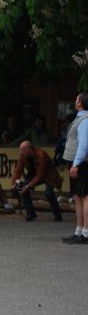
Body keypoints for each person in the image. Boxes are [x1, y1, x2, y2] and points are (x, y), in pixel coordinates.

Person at [11, 141, 63, 222]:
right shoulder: (22, 156)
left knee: (49, 194)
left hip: (48, 175)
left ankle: (58, 215)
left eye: (23, 150)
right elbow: (18, 171)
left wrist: (27, 187)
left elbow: (40, 176)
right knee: (23, 190)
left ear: (29, 149)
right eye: (20, 150)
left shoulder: (42, 155)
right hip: (33, 174)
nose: (21, 152)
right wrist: (13, 184)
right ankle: (31, 213)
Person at [63, 92, 88, 243]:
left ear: (81, 103)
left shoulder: (85, 120)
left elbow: (84, 144)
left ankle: (86, 232)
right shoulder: (80, 118)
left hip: (82, 163)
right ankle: (79, 230)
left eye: (77, 99)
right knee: (77, 197)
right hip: (76, 162)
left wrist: (76, 163)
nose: (75, 100)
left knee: (85, 196)